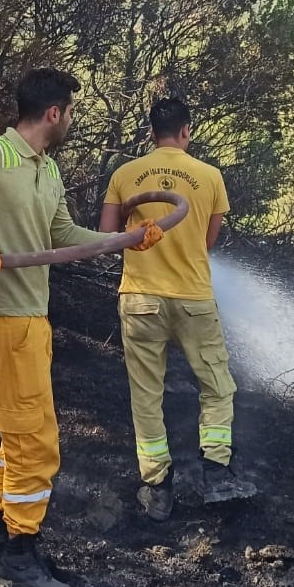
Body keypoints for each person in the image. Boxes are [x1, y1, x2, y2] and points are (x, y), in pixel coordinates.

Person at [0, 68, 163, 587]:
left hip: (31, 318)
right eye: (70, 111)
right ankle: (21, 555)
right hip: (1, 317)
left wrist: (126, 241)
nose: (71, 119)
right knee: (37, 442)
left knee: (19, 435)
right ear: (53, 113)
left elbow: (63, 234)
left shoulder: (48, 169)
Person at [100, 97, 257, 521]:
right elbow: (207, 242)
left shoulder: (124, 174)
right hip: (193, 300)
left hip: (139, 300)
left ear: (151, 132)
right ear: (186, 131)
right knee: (217, 384)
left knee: (147, 394)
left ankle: (156, 487)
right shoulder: (210, 176)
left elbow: (105, 237)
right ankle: (217, 471)